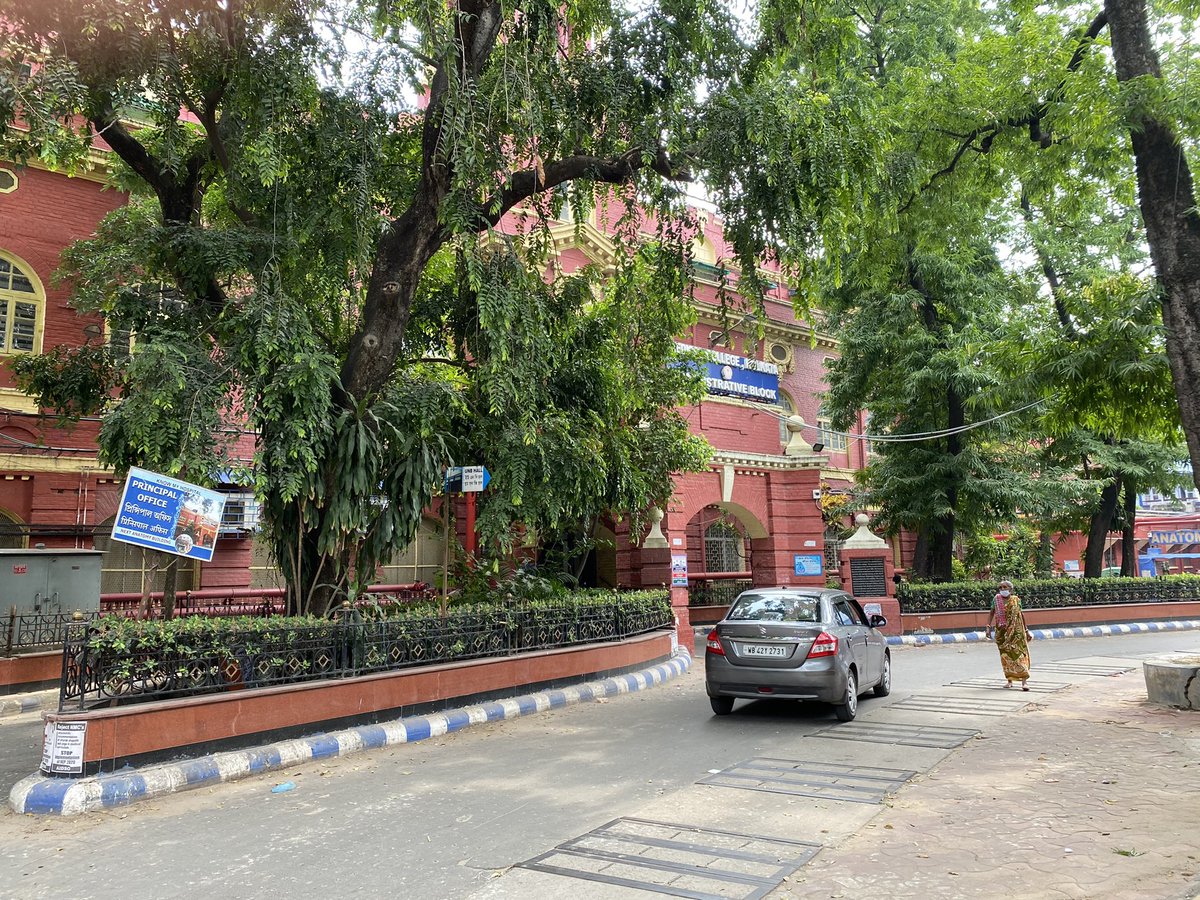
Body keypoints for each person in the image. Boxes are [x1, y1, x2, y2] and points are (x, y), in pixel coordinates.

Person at [985, 579, 1033, 690]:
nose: (1002, 589)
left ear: (1010, 589)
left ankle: (1024, 682)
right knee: (1006, 657)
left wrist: (1026, 630)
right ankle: (1009, 680)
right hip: (1002, 633)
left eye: (1005, 587)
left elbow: (1021, 614)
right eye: (1000, 588)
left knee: (1020, 655)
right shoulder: (996, 600)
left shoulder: (1016, 600)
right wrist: (988, 627)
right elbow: (991, 613)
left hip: (1017, 633)